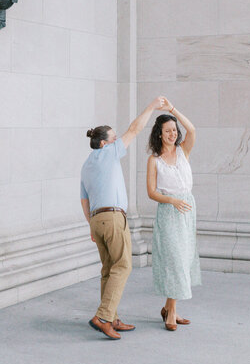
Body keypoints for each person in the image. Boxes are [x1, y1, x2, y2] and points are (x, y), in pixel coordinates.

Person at [81, 96, 165, 340]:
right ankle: (104, 317)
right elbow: (135, 129)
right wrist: (151, 106)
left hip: (97, 220)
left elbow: (84, 201)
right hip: (113, 218)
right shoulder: (108, 154)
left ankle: (112, 317)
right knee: (124, 265)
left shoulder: (86, 165)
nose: (119, 140)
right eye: (115, 138)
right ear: (105, 144)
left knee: (108, 269)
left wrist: (91, 226)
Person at [146, 98, 201, 331]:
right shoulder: (154, 160)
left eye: (174, 130)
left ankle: (171, 309)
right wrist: (172, 200)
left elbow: (193, 129)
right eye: (167, 131)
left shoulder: (182, 151)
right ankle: (170, 312)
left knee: (184, 260)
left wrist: (172, 110)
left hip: (187, 210)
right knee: (174, 260)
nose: (172, 134)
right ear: (159, 133)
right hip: (169, 212)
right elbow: (151, 192)